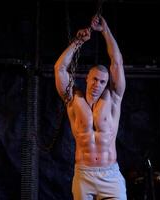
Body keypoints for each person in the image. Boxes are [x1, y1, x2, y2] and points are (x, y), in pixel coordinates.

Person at [54, 15, 127, 200]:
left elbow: (116, 62)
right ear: (87, 78)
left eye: (103, 81)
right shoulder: (73, 98)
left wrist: (105, 31)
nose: (98, 84)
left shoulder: (113, 98)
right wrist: (78, 41)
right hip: (84, 174)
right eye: (94, 79)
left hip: (110, 174)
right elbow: (59, 69)